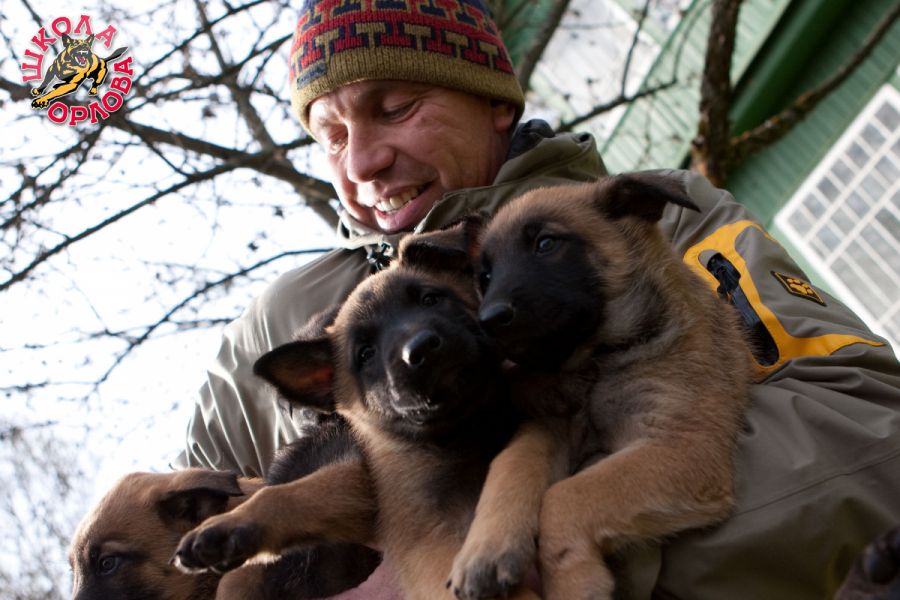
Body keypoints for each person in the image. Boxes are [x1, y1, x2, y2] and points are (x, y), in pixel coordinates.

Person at [173, 1, 900, 598]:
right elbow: (167, 550)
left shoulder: (646, 223)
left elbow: (863, 435)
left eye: (395, 107)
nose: (362, 161)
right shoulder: (279, 323)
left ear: (495, 100)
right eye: (331, 137)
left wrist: (539, 543)